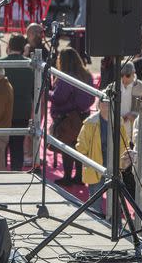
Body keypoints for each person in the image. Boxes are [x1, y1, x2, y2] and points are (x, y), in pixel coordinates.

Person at [50, 48, 95, 186]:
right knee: (80, 146)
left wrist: (48, 93)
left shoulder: (66, 77)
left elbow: (59, 98)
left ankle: (68, 177)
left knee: (68, 147)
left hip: (68, 117)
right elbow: (92, 96)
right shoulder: (87, 74)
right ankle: (79, 177)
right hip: (84, 115)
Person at [76, 98, 128, 214]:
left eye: (109, 102)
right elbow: (81, 144)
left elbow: (124, 142)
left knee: (116, 204)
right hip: (95, 167)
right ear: (98, 104)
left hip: (114, 167)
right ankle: (96, 229)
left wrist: (123, 161)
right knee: (95, 203)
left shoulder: (118, 121)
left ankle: (116, 228)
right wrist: (85, 159)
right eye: (104, 101)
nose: (106, 104)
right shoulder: (90, 122)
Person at [0, 34, 33, 170]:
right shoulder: (31, 66)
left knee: (1, 147)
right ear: (24, 48)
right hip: (22, 111)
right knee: (17, 147)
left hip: (1, 111)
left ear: (8, 46)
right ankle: (16, 176)